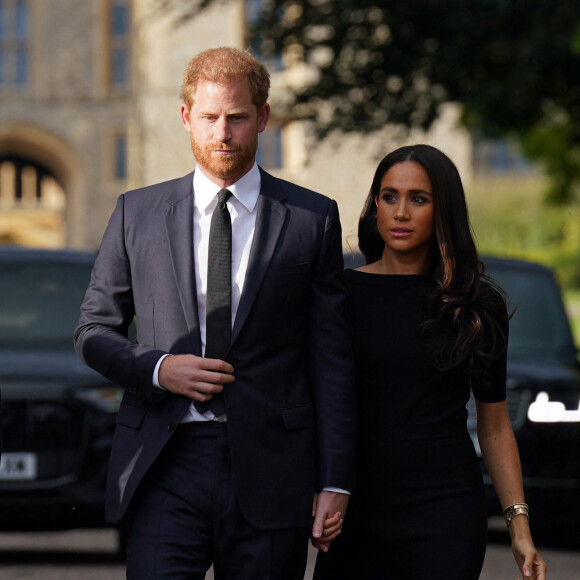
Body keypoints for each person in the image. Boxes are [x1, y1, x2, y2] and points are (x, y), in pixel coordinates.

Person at [74, 46, 356, 580]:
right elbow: (93, 330)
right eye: (208, 117)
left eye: (237, 117)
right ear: (186, 118)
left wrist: (335, 481)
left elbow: (332, 361)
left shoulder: (311, 220)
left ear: (264, 118)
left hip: (274, 468)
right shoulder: (137, 213)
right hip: (164, 460)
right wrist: (160, 368)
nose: (222, 133)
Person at [313, 145, 547, 580]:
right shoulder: (339, 296)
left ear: (443, 211)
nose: (400, 212)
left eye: (418, 199)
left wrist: (519, 525)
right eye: (389, 196)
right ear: (375, 206)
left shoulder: (477, 305)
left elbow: (494, 426)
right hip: (357, 509)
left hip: (445, 513)